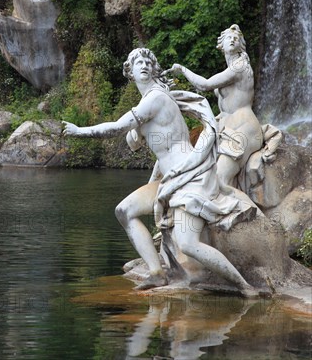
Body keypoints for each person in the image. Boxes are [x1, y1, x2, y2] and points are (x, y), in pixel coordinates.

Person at [63, 47, 257, 295]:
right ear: (130, 72)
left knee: (188, 244)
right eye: (137, 62)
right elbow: (139, 145)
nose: (143, 64)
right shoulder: (146, 103)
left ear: (154, 69)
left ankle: (245, 286)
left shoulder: (156, 98)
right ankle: (156, 274)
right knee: (124, 211)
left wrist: (81, 131)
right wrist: (137, 133)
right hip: (170, 179)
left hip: (190, 178)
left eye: (147, 61)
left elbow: (116, 128)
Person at [163, 25, 263, 187]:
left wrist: (182, 69)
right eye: (229, 38)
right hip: (224, 126)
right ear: (221, 45)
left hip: (245, 128)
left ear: (241, 46)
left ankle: (242, 210)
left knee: (219, 178)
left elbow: (205, 85)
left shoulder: (240, 66)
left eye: (236, 39)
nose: (233, 39)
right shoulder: (229, 70)